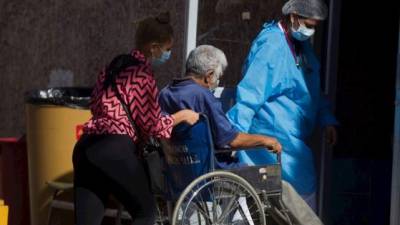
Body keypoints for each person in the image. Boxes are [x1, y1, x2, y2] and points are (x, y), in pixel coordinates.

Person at [72, 12, 199, 225]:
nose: (169, 54)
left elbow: (94, 103)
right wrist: (182, 116)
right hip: (115, 149)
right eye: (167, 49)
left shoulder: (113, 66)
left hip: (85, 147)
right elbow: (152, 125)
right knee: (145, 213)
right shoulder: (141, 75)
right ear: (153, 48)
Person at [226, 0, 338, 210]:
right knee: (299, 202)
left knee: (296, 201)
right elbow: (251, 93)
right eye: (309, 25)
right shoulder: (272, 45)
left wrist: (326, 118)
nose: (311, 32)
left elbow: (311, 87)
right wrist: (234, 134)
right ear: (293, 16)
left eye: (315, 27)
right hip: (273, 138)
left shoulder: (302, 47)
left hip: (292, 141)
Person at [159, 45, 282, 168]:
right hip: (215, 172)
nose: (218, 82)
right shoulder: (203, 96)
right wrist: (266, 140)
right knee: (281, 185)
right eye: (218, 77)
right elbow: (232, 141)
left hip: (180, 172)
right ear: (209, 75)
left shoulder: (165, 93)